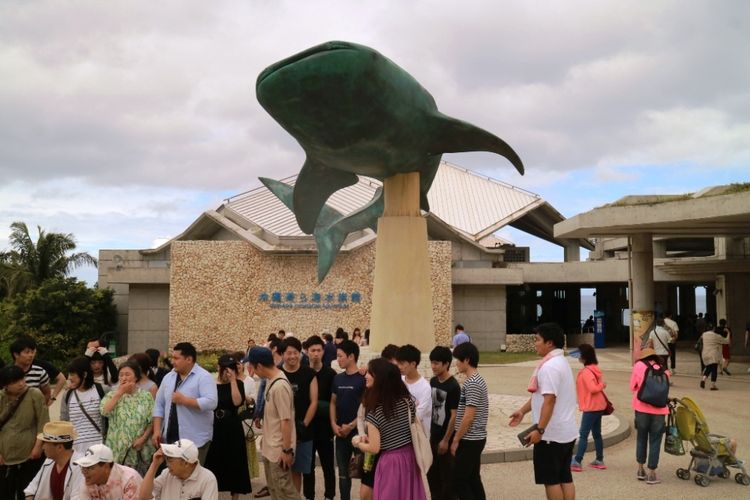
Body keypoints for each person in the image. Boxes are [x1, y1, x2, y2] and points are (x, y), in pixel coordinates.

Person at [510, 324, 577, 500]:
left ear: (549, 343)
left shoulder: (549, 367)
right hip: (566, 431)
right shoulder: (560, 362)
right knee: (565, 476)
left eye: (538, 340)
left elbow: (550, 400)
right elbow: (542, 396)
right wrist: (523, 411)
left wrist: (540, 430)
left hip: (551, 435)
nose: (535, 343)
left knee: (551, 480)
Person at [353, 358, 427, 500]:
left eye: (370, 373)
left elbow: (374, 448)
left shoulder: (375, 413)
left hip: (390, 462)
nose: (366, 376)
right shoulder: (407, 402)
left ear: (379, 379)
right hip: (409, 457)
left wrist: (357, 442)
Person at [244, 346, 297, 500]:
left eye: (251, 366)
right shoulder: (270, 381)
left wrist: (286, 450)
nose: (251, 370)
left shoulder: (279, 386)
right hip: (270, 448)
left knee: (285, 494)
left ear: (259, 366)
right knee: (276, 492)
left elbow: (285, 421)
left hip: (278, 451)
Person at [152, 342, 218, 464]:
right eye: (172, 358)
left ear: (189, 359)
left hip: (195, 440)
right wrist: (157, 430)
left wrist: (185, 400)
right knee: (171, 476)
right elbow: (159, 404)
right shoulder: (169, 377)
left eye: (176, 358)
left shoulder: (203, 377)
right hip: (170, 438)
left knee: (192, 478)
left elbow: (211, 402)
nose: (173, 361)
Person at [204, 354, 251, 499]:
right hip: (215, 426)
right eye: (225, 368)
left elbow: (237, 402)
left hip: (232, 425)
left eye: (231, 368)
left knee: (235, 460)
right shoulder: (211, 384)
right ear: (219, 368)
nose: (227, 371)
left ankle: (235, 496)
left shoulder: (239, 384)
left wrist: (232, 381)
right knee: (214, 461)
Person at [0, 365, 49, 499]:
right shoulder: (1, 397)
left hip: (30, 454)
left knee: (28, 492)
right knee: (5, 493)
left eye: (22, 379)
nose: (21, 383)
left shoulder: (34, 394)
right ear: (6, 385)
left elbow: (43, 423)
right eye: (15, 381)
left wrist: (38, 447)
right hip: (5, 456)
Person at [100, 360, 155, 471]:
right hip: (117, 449)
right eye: (121, 375)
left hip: (139, 449)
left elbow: (152, 421)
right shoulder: (112, 395)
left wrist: (143, 439)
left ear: (136, 377)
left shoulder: (146, 396)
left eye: (127, 374)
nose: (124, 378)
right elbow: (104, 412)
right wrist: (119, 393)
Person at [279, 338, 317, 493]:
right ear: (282, 354)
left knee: (297, 471)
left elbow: (313, 401)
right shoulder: (277, 373)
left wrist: (304, 424)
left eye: (296, 352)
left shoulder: (309, 373)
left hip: (303, 430)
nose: (293, 356)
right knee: (281, 470)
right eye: (289, 353)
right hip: (281, 430)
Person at [452, 342, 489, 500]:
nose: (456, 363)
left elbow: (469, 416)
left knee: (459, 480)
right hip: (475, 438)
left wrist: (456, 439)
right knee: (473, 478)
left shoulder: (473, 383)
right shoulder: (475, 380)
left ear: (466, 360)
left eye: (458, 360)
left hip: (470, 438)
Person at [330, 340, 366, 500]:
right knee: (343, 475)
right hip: (340, 434)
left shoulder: (364, 379)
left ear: (351, 356)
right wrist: (333, 424)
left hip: (361, 435)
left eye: (340, 356)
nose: (338, 359)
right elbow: (332, 402)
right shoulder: (337, 379)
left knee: (365, 473)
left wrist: (351, 426)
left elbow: (367, 407)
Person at [302, 336, 337, 500]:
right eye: (312, 350)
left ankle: (329, 496)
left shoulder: (331, 374)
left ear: (323, 352)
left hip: (325, 429)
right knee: (307, 467)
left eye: (318, 350)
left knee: (328, 466)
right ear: (307, 352)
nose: (315, 354)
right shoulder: (302, 372)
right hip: (307, 428)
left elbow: (334, 401)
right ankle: (309, 496)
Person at [630, 347, 670, 484]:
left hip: (641, 408)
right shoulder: (664, 369)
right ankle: (652, 473)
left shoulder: (638, 366)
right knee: (655, 440)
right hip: (660, 411)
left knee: (641, 437)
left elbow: (632, 387)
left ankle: (641, 470)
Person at [426, 346, 460, 500]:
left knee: (448, 479)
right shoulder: (433, 381)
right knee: (433, 477)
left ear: (446, 364)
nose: (433, 366)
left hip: (446, 437)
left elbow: (454, 415)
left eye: (437, 363)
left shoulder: (453, 386)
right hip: (433, 435)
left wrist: (446, 440)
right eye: (432, 362)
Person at [139, 439, 219, 500]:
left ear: (186, 463)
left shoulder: (208, 479)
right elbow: (143, 497)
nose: (167, 463)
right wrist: (154, 465)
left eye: (170, 459)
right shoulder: (166, 473)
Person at [23, 420, 85, 500]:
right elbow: (31, 490)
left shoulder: (81, 466)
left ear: (59, 447)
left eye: (45, 443)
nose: (43, 447)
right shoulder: (48, 461)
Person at [570, 344, 607, 472]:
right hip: (599, 406)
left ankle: (577, 461)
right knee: (597, 434)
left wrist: (601, 385)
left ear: (584, 357)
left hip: (591, 407)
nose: (578, 356)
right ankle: (599, 459)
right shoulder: (595, 369)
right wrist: (602, 385)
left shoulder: (586, 372)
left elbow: (592, 388)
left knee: (584, 434)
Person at [61, 357, 107, 453]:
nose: (69, 377)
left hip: (98, 449)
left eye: (72, 374)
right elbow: (64, 422)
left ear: (85, 374)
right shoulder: (68, 395)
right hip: (75, 451)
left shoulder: (102, 390)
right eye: (69, 374)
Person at [75, 443, 141, 499]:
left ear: (106, 467)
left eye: (90, 468)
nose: (83, 472)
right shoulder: (88, 482)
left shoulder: (130, 480)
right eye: (83, 467)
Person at [233, 350, 260, 484]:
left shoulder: (249, 380)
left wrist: (244, 398)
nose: (237, 366)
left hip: (245, 417)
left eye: (239, 363)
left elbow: (254, 399)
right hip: (232, 416)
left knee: (247, 447)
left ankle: (248, 473)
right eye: (235, 364)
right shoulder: (229, 380)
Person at [395, 344, 431, 437]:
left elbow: (418, 415)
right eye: (398, 363)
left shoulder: (425, 387)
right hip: (400, 434)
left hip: (419, 436)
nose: (399, 367)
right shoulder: (398, 381)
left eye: (402, 363)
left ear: (413, 364)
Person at [10, 336, 52, 404]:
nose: (31, 355)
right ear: (16, 354)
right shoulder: (6, 373)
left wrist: (39, 409)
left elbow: (47, 394)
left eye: (32, 352)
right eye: (27, 352)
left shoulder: (40, 372)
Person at [700, 324, 730, 390]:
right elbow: (727, 341)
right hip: (713, 355)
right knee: (714, 369)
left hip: (705, 354)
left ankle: (703, 380)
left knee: (708, 368)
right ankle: (713, 385)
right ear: (713, 329)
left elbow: (702, 338)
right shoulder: (716, 336)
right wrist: (728, 333)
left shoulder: (704, 334)